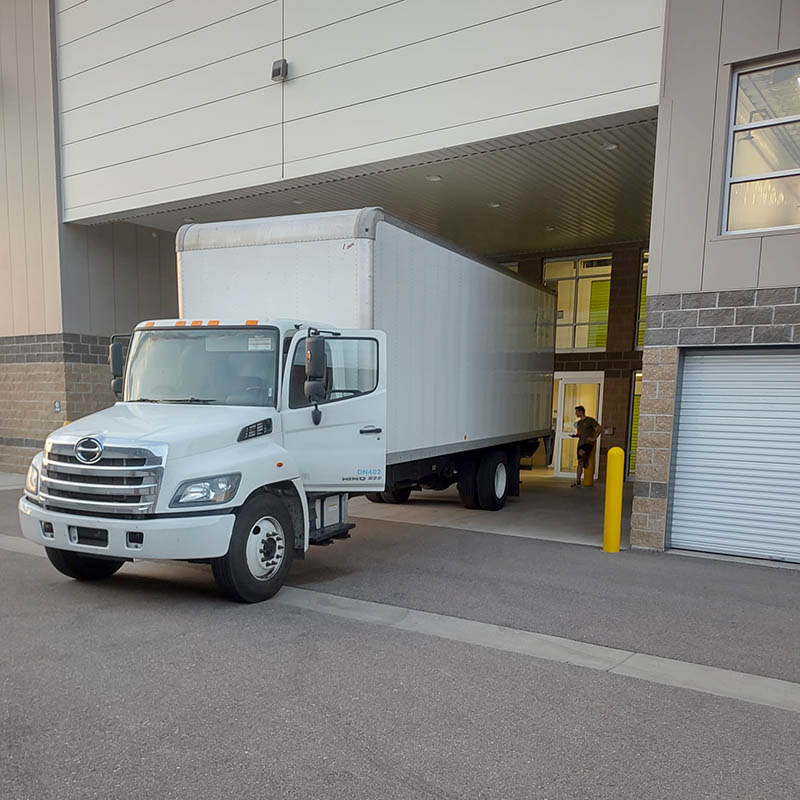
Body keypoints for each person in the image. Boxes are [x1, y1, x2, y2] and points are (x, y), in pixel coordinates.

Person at [570, 405, 601, 487]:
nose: (575, 413)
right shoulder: (579, 423)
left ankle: (586, 459)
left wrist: (594, 438)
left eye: (577, 411)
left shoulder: (590, 420)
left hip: (588, 443)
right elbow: (580, 434)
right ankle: (578, 480)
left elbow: (599, 428)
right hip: (581, 443)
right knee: (580, 462)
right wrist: (575, 435)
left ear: (581, 412)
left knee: (581, 453)